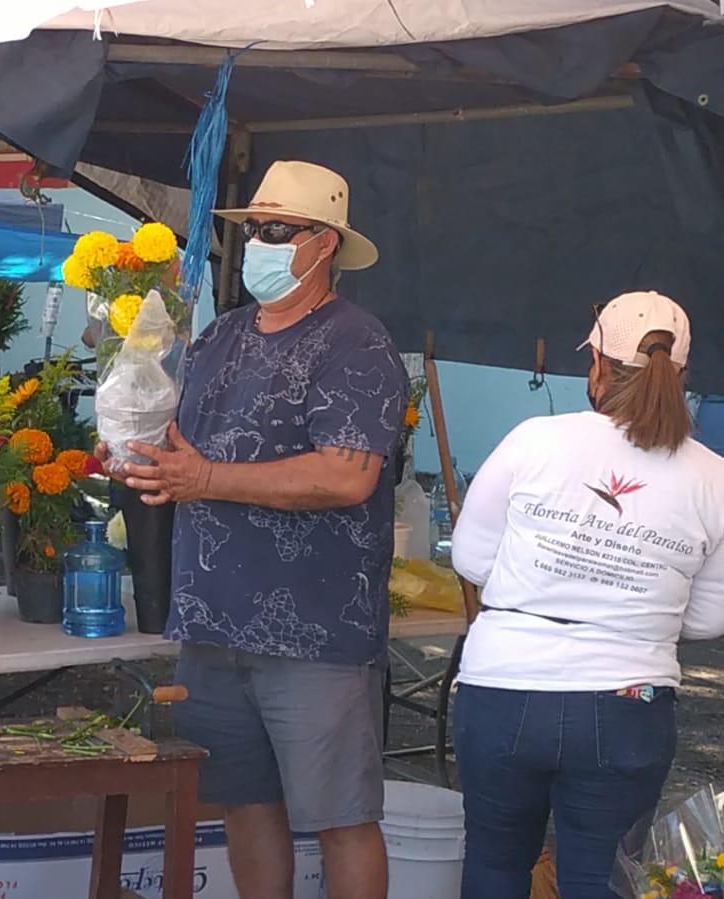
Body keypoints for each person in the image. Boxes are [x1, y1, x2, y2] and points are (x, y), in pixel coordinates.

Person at [106, 160, 406, 898]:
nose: (258, 245)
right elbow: (188, 450)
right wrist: (139, 456)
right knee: (245, 805)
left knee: (341, 818)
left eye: (277, 231)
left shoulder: (355, 343)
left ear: (324, 243)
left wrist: (204, 479)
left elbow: (346, 475)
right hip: (213, 624)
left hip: (314, 633)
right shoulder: (219, 336)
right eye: (252, 230)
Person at [451, 292, 724, 899]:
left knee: (494, 864)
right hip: (628, 701)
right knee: (600, 881)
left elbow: (471, 559)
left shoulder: (535, 439)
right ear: (678, 374)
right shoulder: (714, 475)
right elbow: (707, 618)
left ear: (597, 364)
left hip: (504, 686)